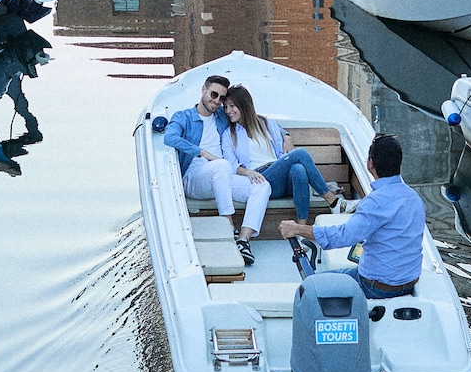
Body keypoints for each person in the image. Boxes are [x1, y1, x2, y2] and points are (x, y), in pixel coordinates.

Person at [280, 133, 425, 300]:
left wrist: (297, 229)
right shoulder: (414, 198)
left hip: (375, 287)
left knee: (310, 286)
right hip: (409, 282)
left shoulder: (374, 202)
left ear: (370, 164)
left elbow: (343, 236)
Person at [162, 74, 267, 266]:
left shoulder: (221, 116)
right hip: (195, 179)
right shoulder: (184, 117)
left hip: (222, 176)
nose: (217, 101)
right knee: (222, 165)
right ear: (203, 89)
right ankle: (227, 224)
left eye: (221, 98)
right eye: (213, 94)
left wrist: (284, 135)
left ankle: (244, 239)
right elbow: (169, 138)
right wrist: (203, 152)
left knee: (262, 186)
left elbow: (248, 116)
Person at [221, 84, 334, 252]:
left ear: (244, 104)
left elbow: (284, 139)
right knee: (300, 154)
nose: (228, 111)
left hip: (281, 177)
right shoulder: (229, 134)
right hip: (260, 178)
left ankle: (301, 230)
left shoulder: (266, 123)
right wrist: (248, 172)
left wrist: (287, 137)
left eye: (232, 106)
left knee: (298, 170)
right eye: (226, 107)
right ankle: (334, 201)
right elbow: (230, 165)